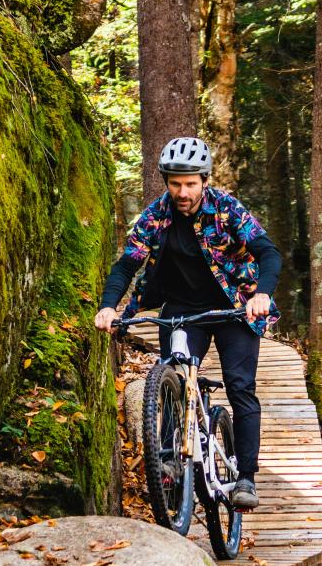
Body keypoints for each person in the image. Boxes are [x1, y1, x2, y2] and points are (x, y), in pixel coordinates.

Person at [93, 137, 282, 511]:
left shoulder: (227, 210)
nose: (183, 192)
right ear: (166, 181)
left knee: (241, 386)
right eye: (175, 183)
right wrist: (109, 307)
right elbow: (127, 264)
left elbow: (267, 252)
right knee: (174, 378)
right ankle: (169, 458)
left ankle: (245, 476)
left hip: (233, 308)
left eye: (191, 183)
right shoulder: (156, 215)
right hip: (181, 308)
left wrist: (261, 295)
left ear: (205, 181)